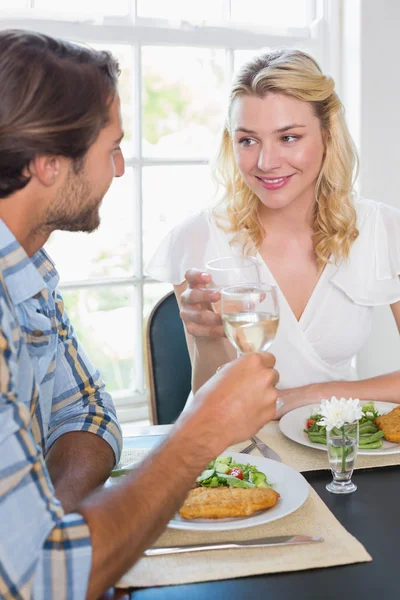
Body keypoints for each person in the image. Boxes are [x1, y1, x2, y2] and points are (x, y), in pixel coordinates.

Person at [0, 29, 279, 599]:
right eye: (112, 147)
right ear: (51, 164)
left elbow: (87, 409)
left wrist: (56, 526)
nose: (121, 168)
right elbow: (42, 582)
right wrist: (200, 430)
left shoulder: (29, 274)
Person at [147, 48, 400, 414]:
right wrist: (207, 339)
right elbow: (209, 403)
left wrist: (310, 395)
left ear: (328, 135)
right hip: (235, 454)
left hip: (334, 447)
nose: (266, 163)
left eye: (289, 138)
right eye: (247, 140)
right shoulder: (198, 238)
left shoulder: (384, 230)